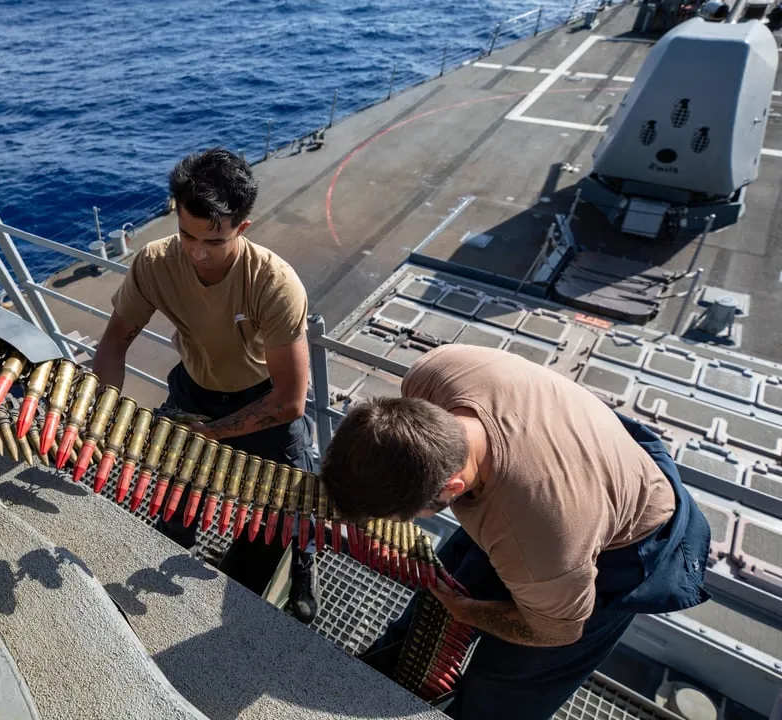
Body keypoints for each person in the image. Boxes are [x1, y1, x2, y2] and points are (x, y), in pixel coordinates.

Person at [320, 343, 711, 720]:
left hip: (623, 545)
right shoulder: (434, 374)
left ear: (453, 488)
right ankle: (383, 675)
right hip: (559, 474)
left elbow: (555, 631)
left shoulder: (541, 537)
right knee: (433, 605)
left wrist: (467, 611)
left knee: (504, 690)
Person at [90, 148, 321, 623]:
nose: (196, 252)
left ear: (242, 228)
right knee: (173, 506)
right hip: (193, 394)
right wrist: (104, 415)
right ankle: (162, 577)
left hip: (264, 403)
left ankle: (302, 559)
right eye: (186, 234)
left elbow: (291, 401)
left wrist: (211, 436)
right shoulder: (155, 263)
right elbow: (113, 345)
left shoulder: (274, 284)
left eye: (213, 241)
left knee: (279, 513)